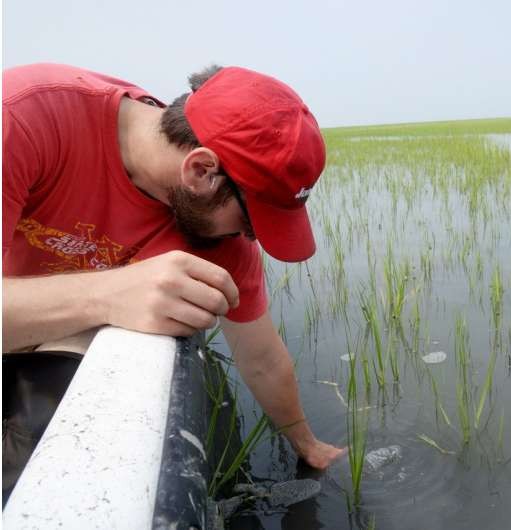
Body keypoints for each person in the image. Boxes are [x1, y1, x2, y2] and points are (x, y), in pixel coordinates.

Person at [2, 63, 345, 499]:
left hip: (52, 353)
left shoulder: (219, 239)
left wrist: (308, 445)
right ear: (201, 171)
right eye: (250, 222)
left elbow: (261, 358)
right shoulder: (24, 118)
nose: (249, 239)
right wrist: (107, 296)